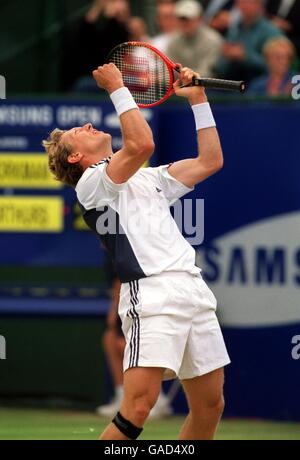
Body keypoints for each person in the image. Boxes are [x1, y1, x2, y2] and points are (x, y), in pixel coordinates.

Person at [43, 62, 230, 440]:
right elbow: (142, 143)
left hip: (192, 290)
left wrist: (198, 99)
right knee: (138, 408)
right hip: (151, 296)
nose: (89, 127)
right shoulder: (91, 185)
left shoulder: (149, 177)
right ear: (75, 158)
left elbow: (211, 161)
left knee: (210, 406)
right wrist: (116, 86)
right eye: (79, 133)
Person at [216, 0, 283, 82]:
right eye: (242, 2)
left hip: (259, 85)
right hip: (231, 83)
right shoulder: (234, 29)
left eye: (250, 2)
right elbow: (220, 68)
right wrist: (226, 56)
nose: (245, 5)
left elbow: (277, 66)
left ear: (260, 5)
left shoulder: (271, 31)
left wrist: (246, 57)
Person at [166, 0, 224, 77]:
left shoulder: (213, 40)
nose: (185, 22)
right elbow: (169, 70)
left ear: (200, 19)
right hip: (180, 85)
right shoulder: (173, 40)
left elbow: (207, 72)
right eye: (181, 19)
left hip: (207, 87)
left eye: (189, 19)